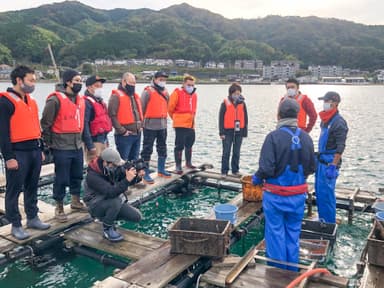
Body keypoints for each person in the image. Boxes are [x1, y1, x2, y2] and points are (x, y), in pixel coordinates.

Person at [252, 98, 315, 271]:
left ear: (278, 115)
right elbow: (311, 167)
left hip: (276, 197)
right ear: (297, 115)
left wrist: (256, 178)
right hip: (297, 198)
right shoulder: (306, 137)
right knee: (293, 234)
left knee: (275, 234)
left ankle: (277, 275)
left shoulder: (273, 137)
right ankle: (292, 271)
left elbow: (266, 168)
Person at [0, 66, 50, 240]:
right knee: (14, 190)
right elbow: (3, 133)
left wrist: (41, 148)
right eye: (31, 80)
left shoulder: (31, 101)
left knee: (32, 186)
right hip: (17, 152)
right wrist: (9, 157)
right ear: (19, 80)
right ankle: (15, 224)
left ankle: (33, 217)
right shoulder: (5, 102)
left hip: (34, 150)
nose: (33, 83)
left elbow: (36, 127)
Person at [41, 69, 87, 223]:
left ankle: (75, 201)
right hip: (61, 146)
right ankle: (59, 206)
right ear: (68, 82)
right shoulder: (55, 100)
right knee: (61, 178)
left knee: (77, 174)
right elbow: (45, 124)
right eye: (77, 80)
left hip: (77, 145)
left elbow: (81, 123)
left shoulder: (80, 100)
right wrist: (49, 145)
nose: (79, 83)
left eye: (81, 80)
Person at [83, 148, 143, 242]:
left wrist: (137, 176)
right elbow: (111, 192)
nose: (116, 167)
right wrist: (127, 180)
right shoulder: (92, 176)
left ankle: (107, 217)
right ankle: (107, 228)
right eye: (114, 165)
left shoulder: (112, 168)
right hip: (95, 205)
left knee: (136, 216)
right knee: (116, 200)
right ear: (105, 162)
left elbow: (125, 181)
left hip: (108, 201)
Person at [315, 91, 348, 223]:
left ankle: (328, 223)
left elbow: (341, 146)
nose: (324, 104)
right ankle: (322, 218)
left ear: (334, 103)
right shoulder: (326, 120)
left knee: (327, 194)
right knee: (320, 193)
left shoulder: (339, 122)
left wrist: (333, 165)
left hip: (329, 163)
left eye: (327, 101)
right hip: (321, 161)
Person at [140, 71, 171, 183]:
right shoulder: (147, 91)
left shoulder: (166, 92)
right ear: (155, 79)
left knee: (162, 147)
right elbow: (141, 108)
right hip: (149, 126)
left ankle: (161, 169)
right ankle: (145, 172)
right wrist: (141, 123)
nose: (162, 81)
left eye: (164, 79)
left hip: (162, 125)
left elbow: (167, 106)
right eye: (160, 79)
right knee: (147, 149)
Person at [108, 72, 143, 162]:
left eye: (134, 83)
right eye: (131, 82)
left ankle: (134, 175)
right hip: (125, 136)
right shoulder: (116, 96)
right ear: (124, 82)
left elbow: (139, 113)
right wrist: (122, 131)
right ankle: (123, 176)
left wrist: (141, 126)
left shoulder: (134, 96)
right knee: (123, 161)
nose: (133, 85)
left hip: (137, 134)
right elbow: (112, 115)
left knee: (135, 160)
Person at [168, 74, 198, 174]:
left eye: (192, 85)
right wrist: (176, 119)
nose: (191, 87)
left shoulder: (194, 95)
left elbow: (194, 110)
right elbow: (170, 108)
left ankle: (188, 163)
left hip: (191, 124)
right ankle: (178, 166)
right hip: (180, 124)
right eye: (189, 85)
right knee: (179, 145)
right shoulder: (177, 93)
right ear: (184, 84)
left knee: (190, 143)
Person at [219, 83, 248, 176]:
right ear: (231, 93)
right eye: (235, 93)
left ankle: (235, 170)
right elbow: (221, 118)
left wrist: (245, 132)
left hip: (239, 131)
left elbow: (245, 118)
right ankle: (224, 171)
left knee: (236, 152)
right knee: (226, 152)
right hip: (227, 132)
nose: (237, 95)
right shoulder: (225, 103)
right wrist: (221, 132)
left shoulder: (242, 104)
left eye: (239, 93)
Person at [83, 75, 112, 163]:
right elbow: (85, 125)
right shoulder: (87, 102)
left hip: (103, 139)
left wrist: (106, 141)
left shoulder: (99, 101)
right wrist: (90, 145)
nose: (100, 88)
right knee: (94, 166)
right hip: (94, 141)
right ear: (89, 87)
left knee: (105, 165)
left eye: (101, 86)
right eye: (97, 86)